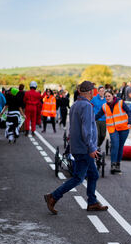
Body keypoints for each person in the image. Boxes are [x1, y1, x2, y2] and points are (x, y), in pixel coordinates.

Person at [44, 81, 108, 214]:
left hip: (77, 146)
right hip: (84, 148)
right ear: (90, 91)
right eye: (93, 90)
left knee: (91, 175)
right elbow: (86, 130)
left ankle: (92, 202)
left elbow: (74, 127)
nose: (94, 92)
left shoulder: (75, 105)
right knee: (79, 177)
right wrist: (91, 148)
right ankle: (53, 196)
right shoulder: (86, 106)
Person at [95, 89, 131, 174]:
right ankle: (113, 165)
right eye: (106, 97)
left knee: (120, 147)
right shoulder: (104, 106)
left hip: (123, 128)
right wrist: (90, 120)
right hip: (113, 129)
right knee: (115, 145)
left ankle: (118, 164)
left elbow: (129, 112)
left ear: (113, 96)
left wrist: (130, 122)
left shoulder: (120, 103)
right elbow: (97, 115)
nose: (107, 98)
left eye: (109, 96)